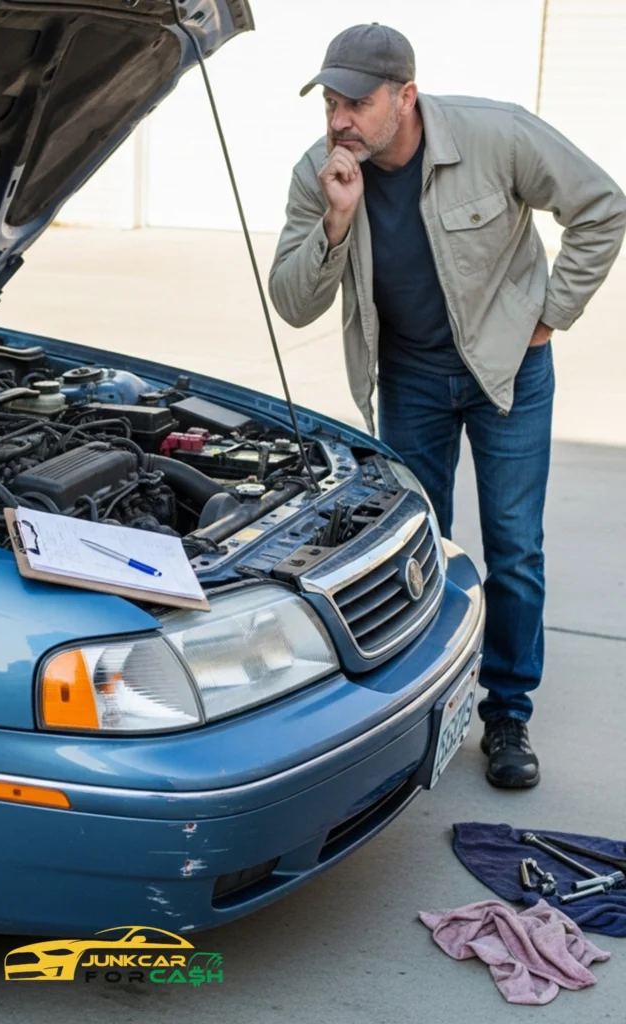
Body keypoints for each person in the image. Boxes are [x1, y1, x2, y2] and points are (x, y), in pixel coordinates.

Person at [268, 23, 626, 789]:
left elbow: (603, 207)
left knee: (514, 548)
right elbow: (292, 304)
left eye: (357, 103)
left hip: (509, 376)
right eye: (330, 102)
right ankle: (428, 700)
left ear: (406, 96)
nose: (339, 121)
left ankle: (507, 712)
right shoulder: (320, 172)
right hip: (410, 379)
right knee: (418, 544)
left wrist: (549, 316)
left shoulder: (497, 136)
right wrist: (336, 221)